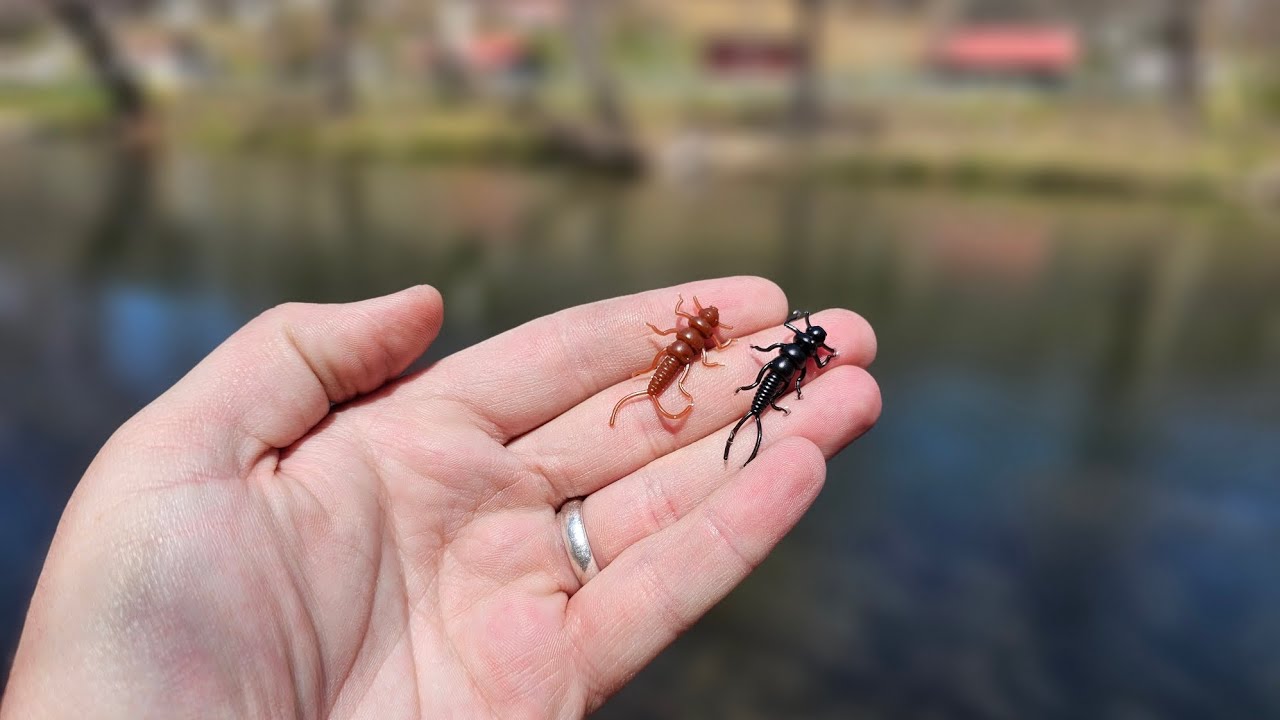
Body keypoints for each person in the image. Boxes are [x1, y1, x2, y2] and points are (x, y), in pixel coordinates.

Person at [1, 277, 880, 718]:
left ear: (693, 334)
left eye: (691, 333)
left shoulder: (689, 346)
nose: (689, 332)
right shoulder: (679, 349)